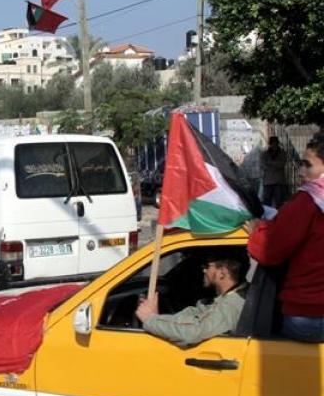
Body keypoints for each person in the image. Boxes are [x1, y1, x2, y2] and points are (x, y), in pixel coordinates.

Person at [246, 140, 324, 342]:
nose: (300, 172)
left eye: (308, 165)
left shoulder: (308, 201)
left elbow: (269, 250)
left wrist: (257, 231)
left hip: (308, 315)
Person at [135, 255, 247, 347]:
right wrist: (159, 318)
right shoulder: (229, 297)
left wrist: (151, 319)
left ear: (222, 272)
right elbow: (197, 313)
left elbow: (194, 331)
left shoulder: (231, 305)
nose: (204, 270)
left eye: (207, 266)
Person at [262, 136, 290, 208]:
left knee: (279, 201)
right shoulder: (265, 154)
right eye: (272, 143)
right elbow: (263, 164)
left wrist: (271, 163)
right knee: (267, 201)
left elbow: (282, 164)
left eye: (275, 143)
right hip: (268, 180)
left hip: (279, 181)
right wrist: (275, 164)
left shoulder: (282, 153)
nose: (274, 145)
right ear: (270, 144)